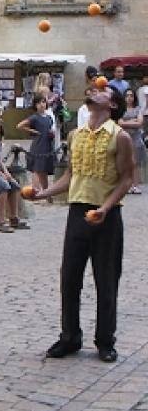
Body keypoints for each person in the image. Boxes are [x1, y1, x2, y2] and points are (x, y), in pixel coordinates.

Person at [34, 83, 133, 363]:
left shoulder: (120, 136)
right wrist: (44, 193)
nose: (93, 90)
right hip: (77, 212)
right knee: (69, 278)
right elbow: (70, 176)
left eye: (102, 90)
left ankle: (105, 341)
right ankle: (70, 337)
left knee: (106, 279)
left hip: (107, 216)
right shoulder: (75, 135)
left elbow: (127, 178)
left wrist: (105, 207)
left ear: (111, 105)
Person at [17, 93, 56, 196]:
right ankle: (35, 191)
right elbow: (20, 126)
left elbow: (50, 129)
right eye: (38, 103)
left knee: (44, 170)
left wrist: (52, 134)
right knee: (37, 169)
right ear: (35, 105)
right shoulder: (34, 117)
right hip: (38, 145)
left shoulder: (49, 118)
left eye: (43, 102)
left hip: (47, 145)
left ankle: (46, 192)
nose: (41, 105)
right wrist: (33, 131)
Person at [119, 87, 145, 194]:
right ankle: (127, 185)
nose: (129, 98)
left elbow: (139, 123)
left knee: (135, 163)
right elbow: (119, 123)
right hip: (124, 138)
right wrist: (131, 121)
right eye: (127, 96)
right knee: (125, 163)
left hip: (136, 138)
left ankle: (135, 185)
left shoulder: (138, 109)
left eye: (131, 96)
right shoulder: (121, 109)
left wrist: (126, 122)